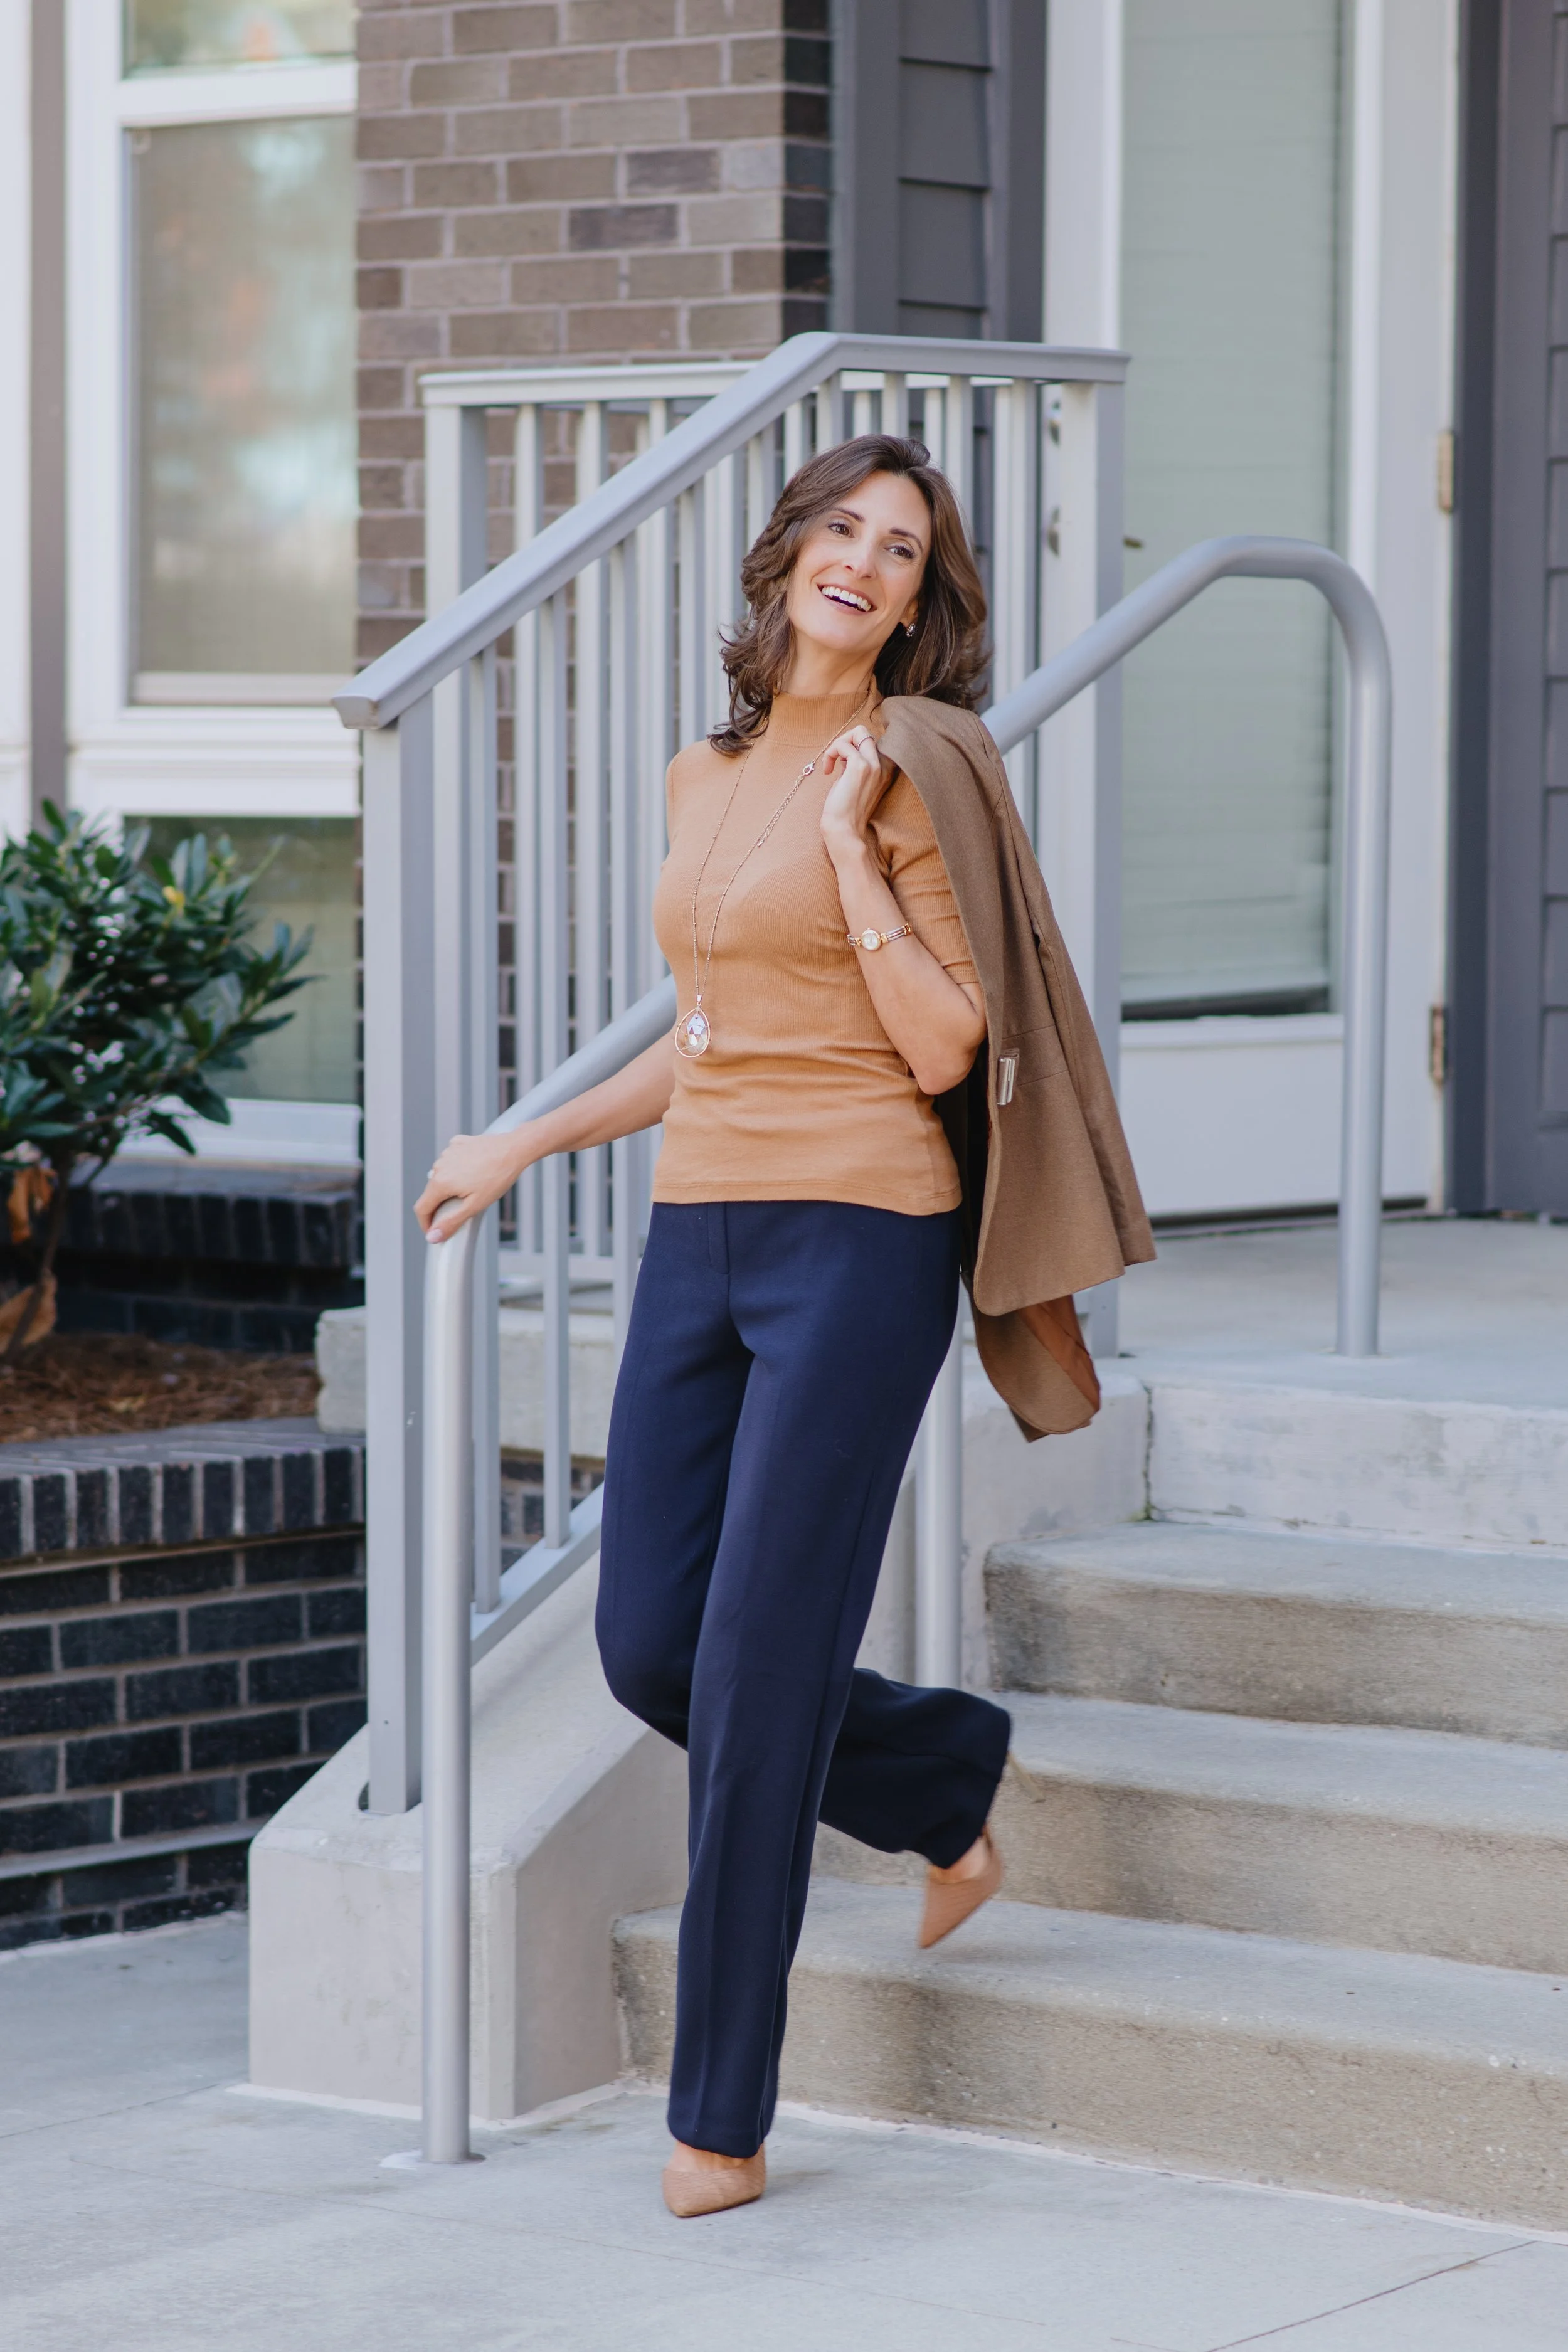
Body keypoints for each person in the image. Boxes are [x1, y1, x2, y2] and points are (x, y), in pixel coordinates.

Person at [417, 434, 1153, 2220]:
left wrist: (846, 847)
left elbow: (938, 1045)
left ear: (920, 599)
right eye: (844, 527)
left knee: (753, 1656)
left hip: (862, 1238)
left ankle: (718, 2117)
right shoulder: (701, 771)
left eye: (904, 548)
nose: (869, 561)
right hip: (701, 1226)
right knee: (651, 1641)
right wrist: (524, 1135)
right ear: (786, 556)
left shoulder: (914, 765)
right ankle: (937, 1768)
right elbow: (709, 1033)